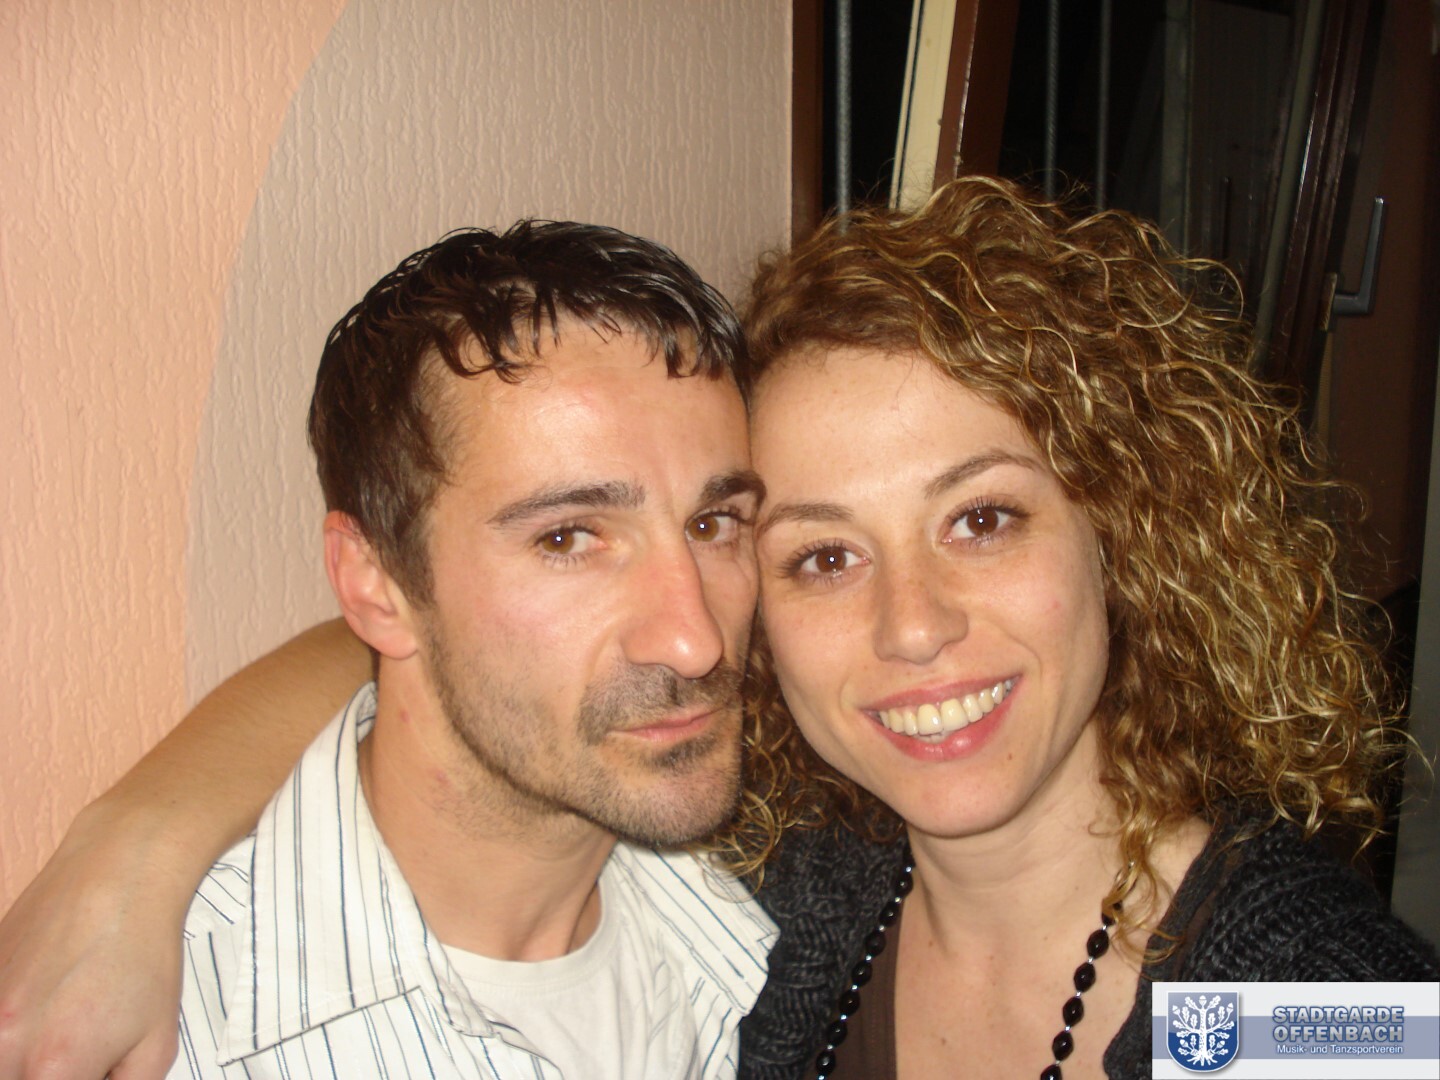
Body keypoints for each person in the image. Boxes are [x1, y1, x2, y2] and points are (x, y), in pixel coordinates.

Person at [2, 178, 1437, 1080]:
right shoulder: (797, 884)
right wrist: (136, 845)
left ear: (1123, 531)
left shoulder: (1316, 1008)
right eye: (821, 555)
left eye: (984, 518)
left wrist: (134, 834)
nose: (914, 626)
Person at [0, 220, 779, 1079]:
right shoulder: (165, 1033)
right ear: (375, 584)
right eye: (567, 538)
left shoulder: (764, 920)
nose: (696, 640)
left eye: (714, 523)